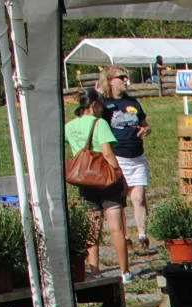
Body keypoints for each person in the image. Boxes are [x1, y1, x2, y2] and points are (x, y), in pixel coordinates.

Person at [64, 89, 131, 278]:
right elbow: (107, 153)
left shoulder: (69, 126)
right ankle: (125, 271)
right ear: (94, 105)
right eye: (101, 105)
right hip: (106, 179)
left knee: (92, 229)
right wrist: (120, 176)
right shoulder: (100, 123)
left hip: (85, 180)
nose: (103, 109)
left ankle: (95, 270)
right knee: (116, 227)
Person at [95, 65, 152, 246]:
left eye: (126, 77)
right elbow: (93, 118)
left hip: (137, 155)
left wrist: (146, 130)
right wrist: (98, 95)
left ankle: (142, 235)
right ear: (110, 81)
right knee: (120, 199)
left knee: (139, 197)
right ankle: (124, 237)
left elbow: (145, 123)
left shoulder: (132, 102)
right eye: (121, 77)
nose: (126, 80)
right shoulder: (104, 104)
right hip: (118, 156)